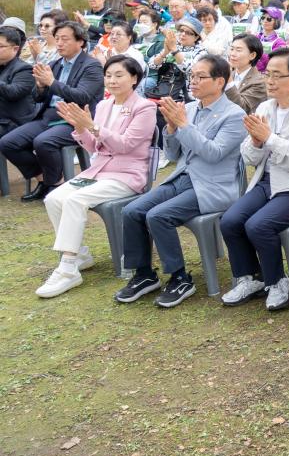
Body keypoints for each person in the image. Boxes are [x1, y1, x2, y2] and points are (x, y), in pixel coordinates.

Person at [115, 55, 247, 307]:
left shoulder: (234, 114)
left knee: (158, 216)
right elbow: (174, 155)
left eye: (200, 77)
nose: (193, 82)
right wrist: (172, 129)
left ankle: (180, 278)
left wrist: (184, 125)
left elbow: (214, 154)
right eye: (191, 76)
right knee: (132, 211)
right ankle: (144, 274)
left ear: (219, 81)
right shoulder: (189, 108)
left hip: (212, 185)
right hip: (183, 177)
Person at [219, 49, 289, 311]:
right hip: (269, 181)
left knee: (259, 225)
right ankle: (250, 277)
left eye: (276, 76)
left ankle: (277, 281)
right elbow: (249, 157)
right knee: (230, 221)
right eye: (267, 74)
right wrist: (258, 142)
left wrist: (269, 139)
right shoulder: (265, 108)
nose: (269, 81)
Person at [33, 56, 156, 298]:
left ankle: (68, 269)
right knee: (54, 198)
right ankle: (79, 254)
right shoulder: (104, 106)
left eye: (119, 75)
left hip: (126, 175)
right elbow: (94, 147)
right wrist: (80, 127)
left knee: (75, 200)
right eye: (108, 75)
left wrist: (93, 126)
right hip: (98, 171)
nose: (112, 80)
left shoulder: (145, 108)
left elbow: (126, 145)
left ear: (134, 78)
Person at [0, 21, 105, 201]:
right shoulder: (57, 64)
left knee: (43, 142)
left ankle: (56, 184)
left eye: (65, 39)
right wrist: (40, 87)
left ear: (80, 41)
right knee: (8, 142)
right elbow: (39, 98)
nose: (59, 43)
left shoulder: (91, 66)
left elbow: (82, 96)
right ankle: (44, 179)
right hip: (49, 116)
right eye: (57, 38)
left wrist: (51, 83)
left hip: (75, 119)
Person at [0, 24, 35, 141]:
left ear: (15, 49)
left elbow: (13, 93)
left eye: (0, 46)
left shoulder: (24, 69)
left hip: (13, 123)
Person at [225, 34, 268, 114]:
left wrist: (228, 81)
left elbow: (243, 108)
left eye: (238, 50)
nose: (232, 54)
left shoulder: (259, 82)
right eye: (232, 49)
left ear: (252, 55)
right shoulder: (230, 74)